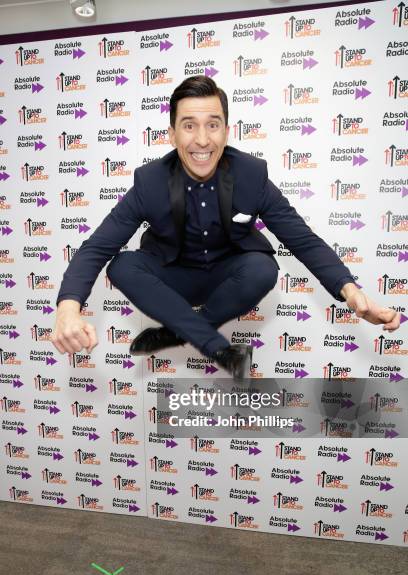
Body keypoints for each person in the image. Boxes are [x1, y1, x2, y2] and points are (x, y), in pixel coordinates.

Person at [51, 76, 400, 379]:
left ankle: (175, 333)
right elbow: (97, 247)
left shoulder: (251, 175)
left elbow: (302, 239)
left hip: (226, 275)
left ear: (227, 130)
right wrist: (68, 308)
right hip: (174, 277)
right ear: (172, 134)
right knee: (123, 264)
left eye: (212, 124)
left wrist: (350, 290)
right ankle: (217, 348)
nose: (202, 140)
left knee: (263, 267)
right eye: (189, 125)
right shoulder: (150, 182)